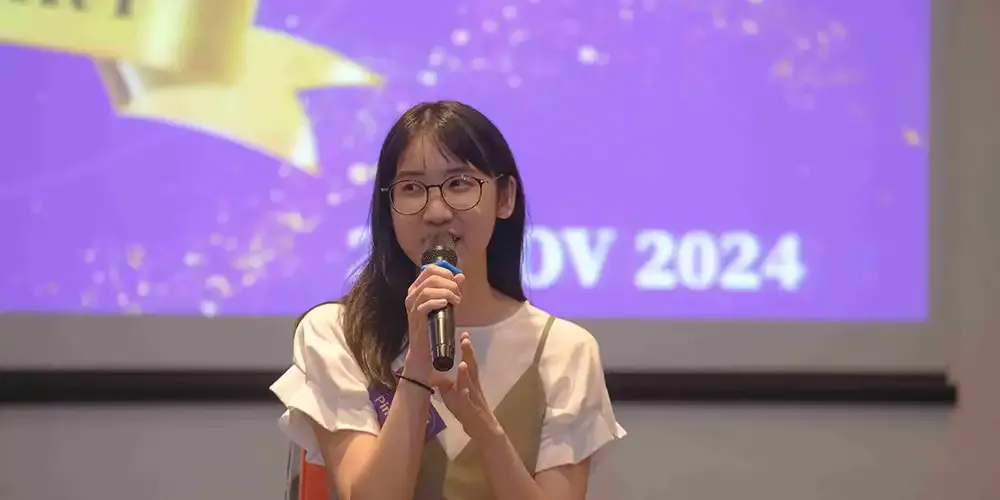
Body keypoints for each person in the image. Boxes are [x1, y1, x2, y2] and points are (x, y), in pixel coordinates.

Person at [270, 100, 627, 499]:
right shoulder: (338, 333)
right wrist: (416, 372)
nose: (436, 212)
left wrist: (486, 432)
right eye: (411, 188)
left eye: (459, 184)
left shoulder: (565, 350)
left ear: (505, 198)